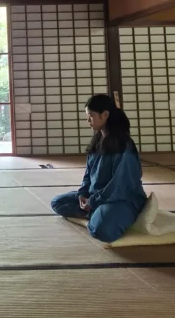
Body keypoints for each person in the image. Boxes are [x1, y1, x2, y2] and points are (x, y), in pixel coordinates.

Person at [50, 94, 148, 243]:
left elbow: (118, 186)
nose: (88, 120)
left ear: (105, 115)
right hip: (95, 197)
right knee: (58, 202)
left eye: (91, 116)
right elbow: (88, 174)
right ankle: (96, 212)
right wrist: (83, 194)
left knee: (102, 230)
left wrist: (93, 201)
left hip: (121, 199)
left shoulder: (123, 145)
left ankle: (102, 214)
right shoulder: (97, 140)